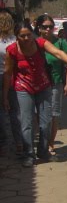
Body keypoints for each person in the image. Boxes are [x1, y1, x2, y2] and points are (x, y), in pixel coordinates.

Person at [3, 20, 67, 167]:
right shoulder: (12, 50)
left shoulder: (40, 43)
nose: (27, 39)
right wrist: (4, 96)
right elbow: (8, 73)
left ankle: (43, 151)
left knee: (46, 122)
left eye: (29, 35)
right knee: (26, 123)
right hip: (23, 88)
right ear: (17, 36)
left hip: (43, 86)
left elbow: (58, 53)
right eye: (22, 36)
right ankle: (28, 154)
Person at [36, 14, 67, 158]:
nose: (48, 30)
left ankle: (50, 143)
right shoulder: (34, 42)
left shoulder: (61, 43)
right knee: (38, 114)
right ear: (39, 28)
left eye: (51, 27)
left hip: (55, 83)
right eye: (45, 27)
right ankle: (42, 142)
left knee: (53, 115)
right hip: (36, 85)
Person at [0, 9, 21, 157]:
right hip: (13, 77)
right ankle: (19, 142)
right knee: (15, 111)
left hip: (5, 76)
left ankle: (3, 142)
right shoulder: (16, 41)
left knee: (2, 112)